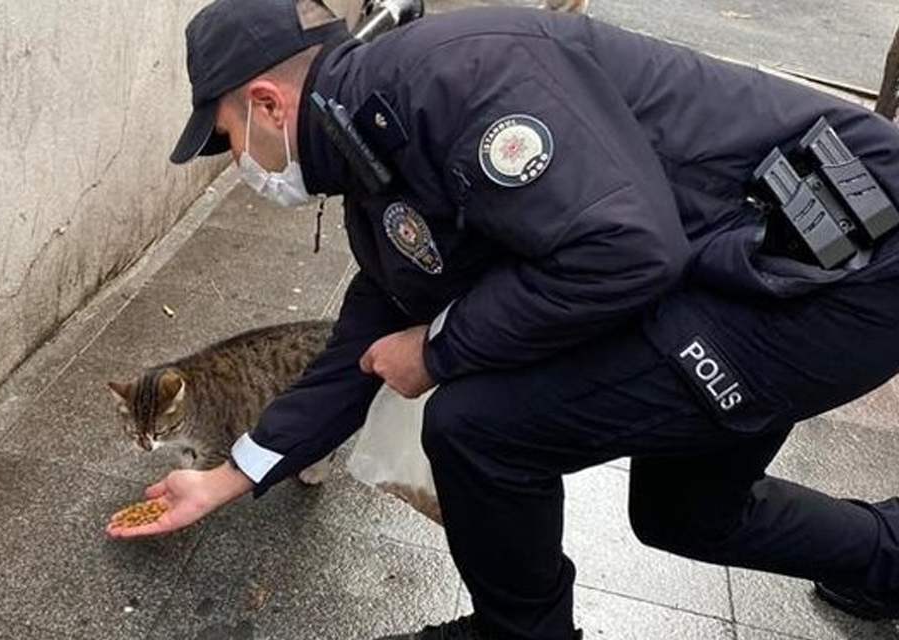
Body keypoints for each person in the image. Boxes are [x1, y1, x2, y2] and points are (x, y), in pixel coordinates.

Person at [106, 1, 899, 638]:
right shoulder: (374, 137)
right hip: (757, 264)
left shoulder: (453, 79)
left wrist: (441, 347)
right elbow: (372, 324)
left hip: (837, 265)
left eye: (228, 138)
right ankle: (888, 558)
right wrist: (230, 475)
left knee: (480, 426)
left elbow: (626, 249)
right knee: (685, 516)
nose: (244, 163)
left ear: (268, 103)